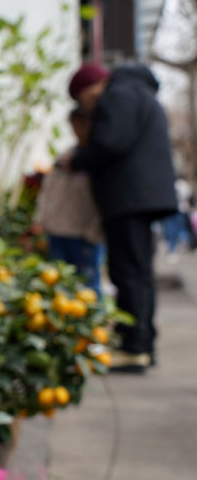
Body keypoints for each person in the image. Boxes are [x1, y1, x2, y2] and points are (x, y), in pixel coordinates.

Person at [69, 63, 178, 372]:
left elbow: (110, 142)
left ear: (91, 87)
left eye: (82, 98)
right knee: (139, 272)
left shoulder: (118, 94)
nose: (86, 107)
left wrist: (77, 159)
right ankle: (142, 343)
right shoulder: (137, 92)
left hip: (130, 197)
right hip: (143, 196)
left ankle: (133, 347)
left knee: (128, 272)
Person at [34, 107, 104, 293]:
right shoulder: (65, 156)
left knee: (87, 289)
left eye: (83, 124)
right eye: (75, 125)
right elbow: (47, 190)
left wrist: (94, 231)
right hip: (57, 232)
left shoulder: (99, 159)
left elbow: (105, 198)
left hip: (84, 235)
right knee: (59, 289)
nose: (78, 130)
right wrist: (41, 220)